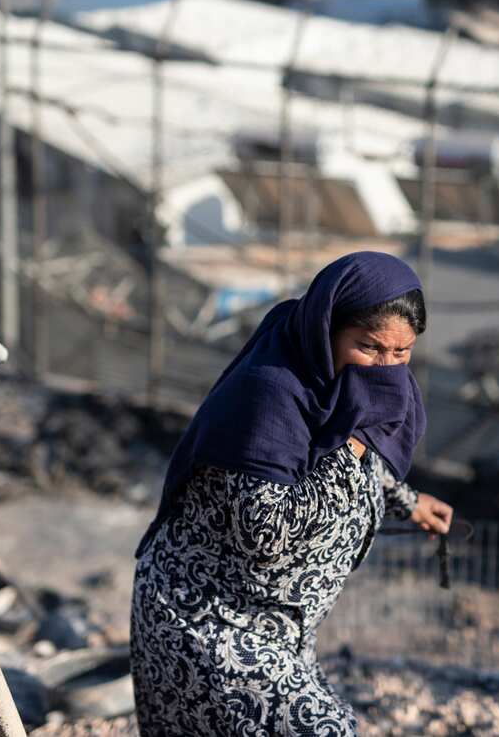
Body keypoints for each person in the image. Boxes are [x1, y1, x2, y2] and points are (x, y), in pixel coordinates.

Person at [130, 251, 453, 735]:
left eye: (401, 353)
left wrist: (408, 501)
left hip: (279, 629)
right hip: (206, 620)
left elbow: (347, 464)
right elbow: (265, 528)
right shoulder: (270, 395)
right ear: (327, 331)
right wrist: (354, 448)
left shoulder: (336, 395)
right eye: (369, 347)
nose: (386, 368)